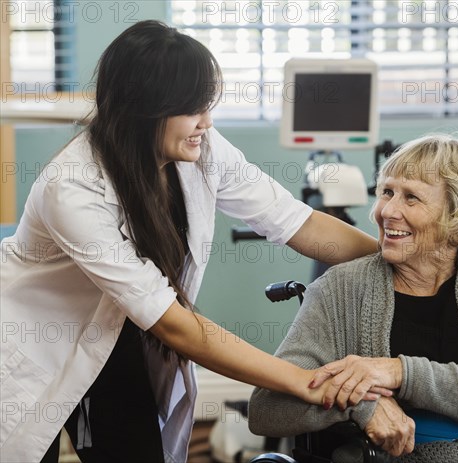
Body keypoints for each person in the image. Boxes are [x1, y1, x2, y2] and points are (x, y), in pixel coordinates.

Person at [0, 21, 384, 463]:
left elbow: (296, 223)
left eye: (208, 106)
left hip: (117, 340)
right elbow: (174, 324)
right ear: (142, 110)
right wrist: (303, 381)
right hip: (34, 346)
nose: (207, 122)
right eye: (193, 109)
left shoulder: (202, 150)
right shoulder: (72, 189)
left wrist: (396, 258)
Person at [249, 133, 458, 462]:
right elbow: (267, 409)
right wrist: (362, 403)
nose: (387, 211)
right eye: (387, 192)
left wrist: (399, 373)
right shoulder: (340, 288)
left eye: (411, 198)